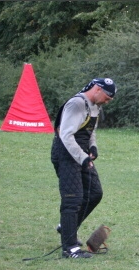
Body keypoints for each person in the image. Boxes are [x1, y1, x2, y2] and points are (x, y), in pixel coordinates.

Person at [50, 78, 116, 258]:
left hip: (81, 153)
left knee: (95, 192)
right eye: (107, 97)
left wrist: (93, 146)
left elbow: (90, 129)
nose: (108, 101)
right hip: (66, 154)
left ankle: (66, 227)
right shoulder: (76, 104)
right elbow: (65, 135)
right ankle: (69, 249)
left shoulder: (94, 105)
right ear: (97, 89)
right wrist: (83, 158)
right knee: (73, 199)